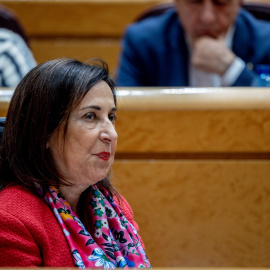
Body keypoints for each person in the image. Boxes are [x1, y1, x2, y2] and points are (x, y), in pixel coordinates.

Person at [0, 58, 151, 268]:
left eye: (111, 116)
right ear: (44, 132)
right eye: (91, 116)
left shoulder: (116, 207)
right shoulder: (9, 219)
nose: (111, 134)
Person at [116, 0, 270, 87]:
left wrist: (233, 70)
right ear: (176, 3)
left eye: (220, 2)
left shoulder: (266, 41)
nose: (207, 17)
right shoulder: (142, 42)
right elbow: (122, 114)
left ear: (239, 4)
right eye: (195, 1)